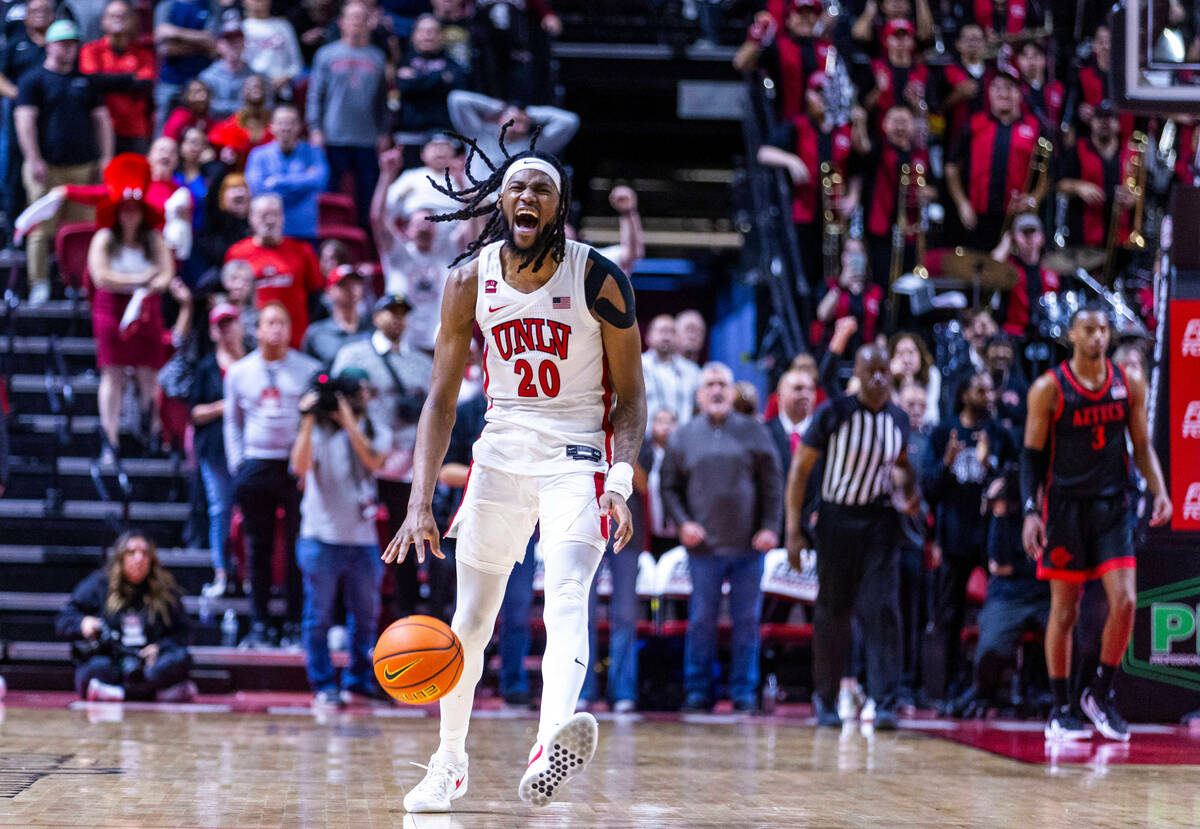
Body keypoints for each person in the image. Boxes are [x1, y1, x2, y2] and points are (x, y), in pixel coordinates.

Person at [381, 140, 646, 812]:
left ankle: (550, 739)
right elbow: (440, 399)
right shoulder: (469, 278)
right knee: (469, 621)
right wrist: (419, 503)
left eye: (542, 189)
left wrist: (619, 480)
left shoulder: (600, 277)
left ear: (559, 207)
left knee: (564, 594)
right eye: (517, 187)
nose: (527, 197)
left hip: (576, 457)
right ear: (500, 201)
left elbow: (633, 397)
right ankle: (448, 763)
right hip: (498, 453)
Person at [1021, 305, 1172, 741]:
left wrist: (1159, 489)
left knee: (1125, 601)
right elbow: (1030, 459)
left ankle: (1099, 693)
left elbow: (1142, 446)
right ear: (1072, 335)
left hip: (1112, 506)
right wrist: (1031, 511)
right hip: (1065, 507)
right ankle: (1060, 706)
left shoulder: (1129, 384)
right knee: (1064, 611)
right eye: (1088, 329)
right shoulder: (1049, 388)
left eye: (1104, 329)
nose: (1098, 337)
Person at [785, 344, 920, 729]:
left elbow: (903, 463)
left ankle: (885, 703)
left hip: (879, 521)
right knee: (833, 612)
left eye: (884, 371)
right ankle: (825, 700)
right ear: (856, 373)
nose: (878, 378)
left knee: (883, 611)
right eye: (870, 371)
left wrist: (910, 493)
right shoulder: (834, 413)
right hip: (835, 519)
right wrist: (793, 531)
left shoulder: (897, 417)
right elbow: (798, 472)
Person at [661, 362, 783, 712]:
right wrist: (683, 523)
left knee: (747, 623)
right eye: (710, 385)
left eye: (723, 385)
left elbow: (773, 484)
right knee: (701, 621)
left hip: (749, 547)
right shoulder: (683, 435)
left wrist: (770, 527)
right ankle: (698, 691)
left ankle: (744, 693)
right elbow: (669, 487)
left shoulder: (754, 431)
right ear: (699, 395)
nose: (716, 391)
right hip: (704, 549)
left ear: (732, 392)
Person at [224, 302, 321, 648]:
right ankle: (261, 625)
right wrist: (238, 463)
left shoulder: (308, 368)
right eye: (270, 323)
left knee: (299, 548)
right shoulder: (240, 372)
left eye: (283, 322)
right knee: (257, 548)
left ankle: (296, 624)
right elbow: (232, 422)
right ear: (258, 330)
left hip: (294, 467)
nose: (277, 329)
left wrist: (309, 465)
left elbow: (317, 422)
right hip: (256, 464)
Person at [332, 293, 435, 620]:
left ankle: (406, 614)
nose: (397, 318)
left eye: (403, 313)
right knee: (348, 536)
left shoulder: (422, 361)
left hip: (406, 464)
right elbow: (335, 399)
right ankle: (343, 614)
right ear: (375, 316)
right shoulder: (354, 354)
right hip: (361, 459)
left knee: (403, 537)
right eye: (390, 311)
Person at [291, 369, 389, 708]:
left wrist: (349, 422)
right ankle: (322, 684)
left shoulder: (376, 426)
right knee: (317, 617)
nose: (363, 395)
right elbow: (299, 466)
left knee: (365, 617)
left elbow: (374, 461)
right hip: (320, 536)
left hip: (362, 539)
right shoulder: (316, 429)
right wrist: (306, 420)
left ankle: (358, 681)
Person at [921, 371, 1016, 700]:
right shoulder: (944, 432)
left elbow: (1013, 479)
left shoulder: (1000, 434)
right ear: (963, 395)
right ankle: (947, 687)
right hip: (954, 538)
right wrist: (947, 463)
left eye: (990, 389)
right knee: (950, 617)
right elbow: (929, 488)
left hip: (992, 539)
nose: (988, 395)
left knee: (999, 615)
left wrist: (990, 463)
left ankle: (992, 687)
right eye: (980, 389)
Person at [15, 19, 113, 305]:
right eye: (62, 43)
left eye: (72, 43)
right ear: (49, 44)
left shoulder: (85, 81)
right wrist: (33, 158)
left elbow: (102, 121)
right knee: (40, 229)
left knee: (79, 230)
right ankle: (40, 282)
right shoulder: (33, 80)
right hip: (46, 167)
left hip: (81, 167)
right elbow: (24, 121)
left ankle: (77, 283)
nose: (68, 49)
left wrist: (106, 157)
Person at [85, 154, 175, 460]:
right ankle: (109, 438)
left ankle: (150, 434)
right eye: (125, 209)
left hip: (146, 311)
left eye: (134, 209)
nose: (130, 215)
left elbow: (165, 275)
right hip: (111, 311)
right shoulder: (103, 238)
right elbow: (101, 276)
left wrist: (144, 284)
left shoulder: (154, 239)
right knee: (113, 375)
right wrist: (139, 279)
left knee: (149, 375)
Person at [55, 530, 194, 702]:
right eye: (132, 552)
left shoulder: (165, 590)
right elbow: (64, 619)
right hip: (113, 660)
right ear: (120, 557)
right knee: (95, 669)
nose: (139, 558)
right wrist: (82, 622)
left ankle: (118, 694)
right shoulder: (99, 584)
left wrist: (159, 648)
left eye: (144, 553)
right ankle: (154, 695)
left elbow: (184, 632)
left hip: (148, 665)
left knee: (180, 658)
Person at [371, 147, 463, 354]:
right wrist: (386, 176)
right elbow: (378, 219)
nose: (423, 227)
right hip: (401, 343)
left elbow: (474, 226)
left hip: (439, 345)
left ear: (437, 228)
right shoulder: (398, 252)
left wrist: (464, 183)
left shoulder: (447, 252)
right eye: (418, 223)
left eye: (429, 223)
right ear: (406, 229)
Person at [307, 0, 389, 228]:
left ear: (369, 23)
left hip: (367, 138)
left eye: (362, 18)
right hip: (333, 136)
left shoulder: (378, 57)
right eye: (352, 18)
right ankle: (331, 243)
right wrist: (315, 129)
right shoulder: (325, 55)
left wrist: (384, 132)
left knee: (367, 197)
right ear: (342, 22)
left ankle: (366, 245)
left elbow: (383, 101)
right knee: (331, 194)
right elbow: (315, 96)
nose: (357, 23)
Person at [191, 302, 246, 598]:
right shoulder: (207, 367)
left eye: (231, 323)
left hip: (250, 450)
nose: (226, 331)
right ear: (213, 331)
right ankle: (222, 572)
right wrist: (224, 407)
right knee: (221, 509)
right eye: (220, 325)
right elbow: (194, 412)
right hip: (215, 450)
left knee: (250, 513)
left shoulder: (253, 362)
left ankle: (247, 573)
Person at [226, 193, 325, 349]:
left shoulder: (302, 250)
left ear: (283, 217)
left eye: (275, 214)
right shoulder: (237, 253)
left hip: (296, 342)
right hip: (252, 342)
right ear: (251, 218)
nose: (270, 220)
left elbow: (316, 295)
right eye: (264, 215)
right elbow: (232, 297)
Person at [446, 89, 579, 182]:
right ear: (500, 119)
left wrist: (530, 113)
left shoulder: (535, 145)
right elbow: (457, 99)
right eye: (513, 120)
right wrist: (500, 108)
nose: (518, 125)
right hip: (476, 201)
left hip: (512, 204)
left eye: (523, 121)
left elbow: (570, 120)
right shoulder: (479, 135)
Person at [79, 0, 156, 157]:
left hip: (134, 130)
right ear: (103, 21)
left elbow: (145, 84)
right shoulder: (91, 50)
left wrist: (106, 81)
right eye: (113, 16)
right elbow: (91, 81)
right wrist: (129, 79)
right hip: (98, 128)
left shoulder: (143, 53)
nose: (118, 19)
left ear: (133, 21)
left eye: (123, 16)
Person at [244, 104, 329, 243]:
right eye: (281, 123)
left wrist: (276, 182)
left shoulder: (314, 153)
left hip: (303, 229)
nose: (286, 128)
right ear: (271, 126)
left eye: (291, 123)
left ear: (300, 126)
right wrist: (302, 181)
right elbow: (258, 188)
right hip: (268, 232)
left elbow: (319, 181)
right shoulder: (258, 155)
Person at [990, 213, 1060, 340]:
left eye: (1032, 232)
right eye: (1023, 232)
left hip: (1048, 334)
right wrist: (1006, 244)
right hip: (1013, 335)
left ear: (1042, 237)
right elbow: (988, 269)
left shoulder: (1053, 267)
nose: (1029, 237)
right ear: (1014, 237)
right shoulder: (1008, 265)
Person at [152, 0, 217, 136]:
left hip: (202, 80)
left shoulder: (210, 5)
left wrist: (175, 33)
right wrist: (200, 44)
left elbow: (212, 42)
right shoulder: (166, 6)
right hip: (170, 80)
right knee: (163, 132)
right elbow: (165, 48)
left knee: (204, 131)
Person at [394, 14, 465, 136]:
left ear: (441, 36)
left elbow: (458, 89)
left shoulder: (452, 63)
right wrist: (440, 77)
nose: (428, 35)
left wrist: (417, 80)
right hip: (410, 133)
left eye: (433, 31)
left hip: (443, 133)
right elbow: (405, 86)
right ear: (414, 36)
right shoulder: (404, 61)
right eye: (423, 31)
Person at [302, 267, 371, 366]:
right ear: (329, 291)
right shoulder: (317, 333)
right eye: (344, 285)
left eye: (356, 283)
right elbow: (307, 367)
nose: (351, 289)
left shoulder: (372, 326)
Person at [641, 314, 700, 429]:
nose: (666, 336)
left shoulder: (691, 370)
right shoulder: (637, 366)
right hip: (646, 442)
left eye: (671, 332)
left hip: (682, 440)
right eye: (662, 331)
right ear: (648, 337)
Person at [241, 0, 303, 99]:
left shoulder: (283, 26)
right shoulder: (241, 27)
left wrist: (285, 77)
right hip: (249, 91)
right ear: (243, 2)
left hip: (281, 90)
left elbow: (296, 63)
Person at [198, 17, 250, 122]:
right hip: (216, 129)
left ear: (244, 43)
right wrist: (243, 108)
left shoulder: (255, 77)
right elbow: (206, 108)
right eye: (229, 41)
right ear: (219, 45)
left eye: (238, 40)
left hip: (246, 129)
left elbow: (264, 108)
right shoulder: (206, 77)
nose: (234, 45)